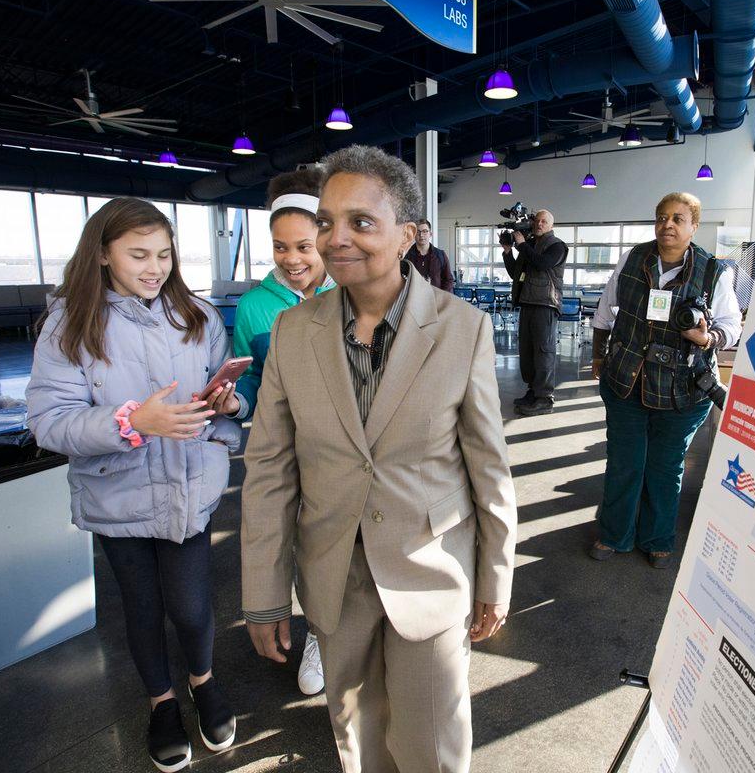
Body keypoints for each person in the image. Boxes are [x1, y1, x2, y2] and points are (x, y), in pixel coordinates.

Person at [241, 144, 517, 773]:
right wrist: (262, 591)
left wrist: (496, 577)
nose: (337, 238)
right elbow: (269, 473)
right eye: (328, 221)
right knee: (356, 736)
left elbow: (488, 469)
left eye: (361, 222)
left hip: (431, 568)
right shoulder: (292, 332)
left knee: (431, 742)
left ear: (410, 237)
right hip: (335, 572)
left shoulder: (461, 329)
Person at [26, 198, 241, 772]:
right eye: (138, 254)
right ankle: (162, 703)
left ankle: (204, 682)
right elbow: (48, 422)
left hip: (189, 489)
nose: (155, 267)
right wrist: (130, 423)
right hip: (116, 495)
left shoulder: (197, 316)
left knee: (193, 609)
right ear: (101, 254)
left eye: (165, 254)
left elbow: (221, 404)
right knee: (142, 609)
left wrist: (227, 403)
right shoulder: (70, 323)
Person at [589, 192, 742, 569]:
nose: (667, 224)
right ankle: (614, 534)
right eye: (661, 217)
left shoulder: (713, 271)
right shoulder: (632, 259)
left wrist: (707, 338)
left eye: (677, 218)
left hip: (683, 391)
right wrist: (597, 354)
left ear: (693, 226)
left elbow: (731, 327)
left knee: (665, 466)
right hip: (626, 381)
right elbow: (605, 312)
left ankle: (657, 538)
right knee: (624, 461)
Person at [231, 166, 336, 697]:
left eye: (303, 245)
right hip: (288, 445)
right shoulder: (254, 306)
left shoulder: (353, 289)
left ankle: (340, 628)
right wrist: (236, 400)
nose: (292, 259)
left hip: (343, 445)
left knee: (340, 539)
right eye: (279, 248)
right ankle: (316, 628)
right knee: (297, 541)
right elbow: (249, 373)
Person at [501, 208, 567, 416]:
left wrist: (521, 245)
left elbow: (542, 263)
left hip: (545, 305)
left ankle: (544, 398)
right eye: (537, 221)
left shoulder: (557, 246)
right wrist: (507, 251)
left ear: (551, 225)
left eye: (544, 221)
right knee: (528, 351)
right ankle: (533, 391)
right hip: (528, 302)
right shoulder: (530, 245)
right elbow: (515, 273)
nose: (539, 224)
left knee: (543, 351)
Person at [404, 218, 455, 292]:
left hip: (436, 300)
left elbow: (449, 280)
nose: (421, 235)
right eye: (418, 232)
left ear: (430, 234)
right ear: (414, 234)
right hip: (414, 300)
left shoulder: (440, 255)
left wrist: (441, 297)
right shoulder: (406, 255)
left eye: (425, 231)